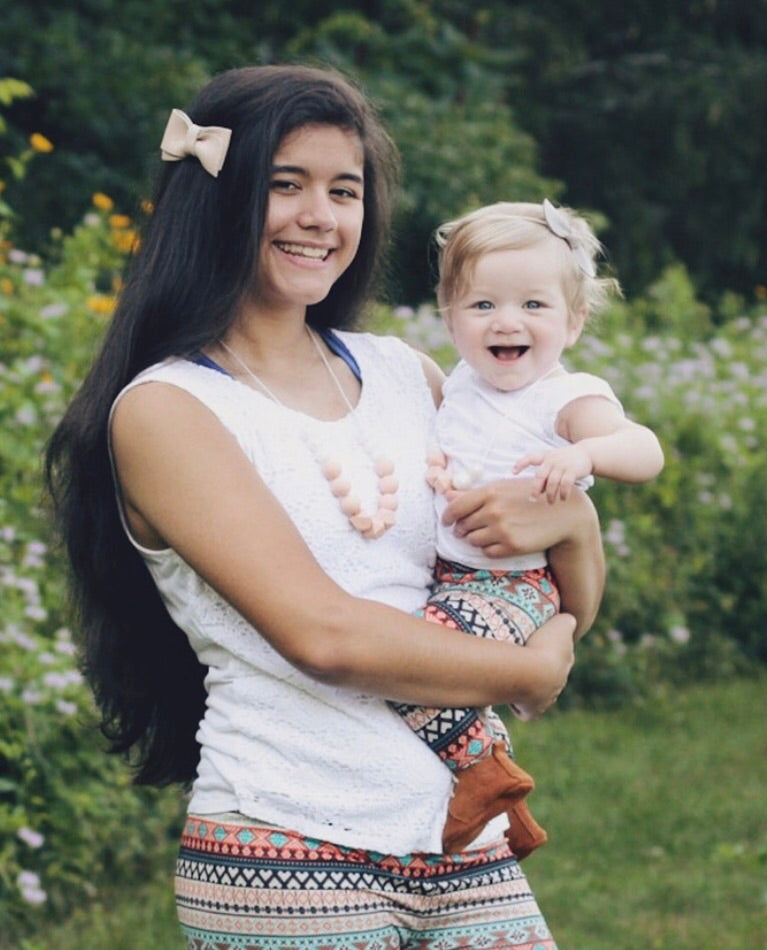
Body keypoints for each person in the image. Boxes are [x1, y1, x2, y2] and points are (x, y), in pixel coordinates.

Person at [44, 65, 607, 949]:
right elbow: (325, 637)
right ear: (217, 201)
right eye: (285, 185)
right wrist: (529, 675)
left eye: (344, 191)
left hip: (459, 832)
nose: (320, 217)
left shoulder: (406, 376)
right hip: (289, 841)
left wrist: (576, 526)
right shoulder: (167, 410)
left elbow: (542, 580)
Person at [391, 200, 665, 857]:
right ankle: (494, 787)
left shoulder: (565, 398)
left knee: (409, 663)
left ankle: (488, 773)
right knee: (411, 671)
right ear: (450, 317)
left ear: (573, 322)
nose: (507, 321)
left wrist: (586, 454)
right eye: (482, 305)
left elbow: (646, 450)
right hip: (455, 579)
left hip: (515, 587)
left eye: (533, 307)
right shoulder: (458, 385)